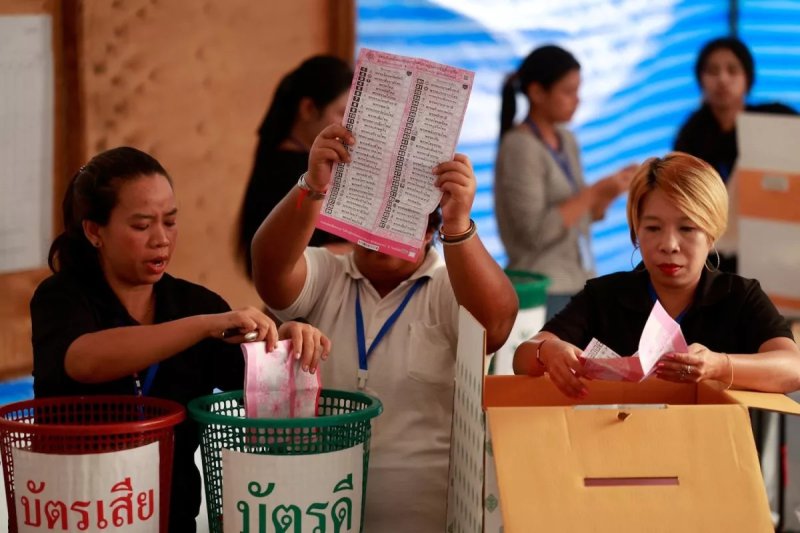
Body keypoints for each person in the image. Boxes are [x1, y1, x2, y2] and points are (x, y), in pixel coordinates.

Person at [31, 147, 331, 531]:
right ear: (94, 231)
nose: (161, 240)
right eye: (141, 226)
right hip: (77, 515)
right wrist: (201, 326)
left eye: (170, 222)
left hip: (173, 517)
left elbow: (257, 377)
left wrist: (287, 339)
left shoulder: (194, 303)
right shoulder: (62, 296)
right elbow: (83, 360)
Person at [251, 124, 518, 532]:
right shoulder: (328, 272)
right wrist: (313, 185)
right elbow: (269, 270)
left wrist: (459, 222)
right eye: (369, 213)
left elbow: (496, 324)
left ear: (431, 232)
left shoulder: (449, 287)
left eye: (400, 218)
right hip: (320, 514)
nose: (379, 231)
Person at [513, 152, 800, 398]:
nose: (669, 245)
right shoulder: (606, 296)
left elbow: (792, 367)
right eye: (652, 228)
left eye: (687, 229)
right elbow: (522, 356)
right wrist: (548, 352)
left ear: (712, 234)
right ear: (636, 231)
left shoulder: (738, 296)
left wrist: (719, 366)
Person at [495, 44, 638, 319]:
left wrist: (610, 190)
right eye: (568, 91)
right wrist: (593, 192)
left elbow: (584, 216)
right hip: (543, 286)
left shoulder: (566, 139)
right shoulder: (520, 146)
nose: (577, 100)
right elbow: (533, 233)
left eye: (578, 90)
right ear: (537, 93)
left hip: (578, 280)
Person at [674, 36, 798, 272]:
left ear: (748, 78)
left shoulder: (777, 119)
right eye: (713, 71)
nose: (722, 79)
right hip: (714, 255)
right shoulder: (691, 134)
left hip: (776, 247)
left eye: (732, 70)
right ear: (700, 79)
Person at [238, 55, 353, 276]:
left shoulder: (282, 159)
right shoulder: (291, 170)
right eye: (341, 113)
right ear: (309, 108)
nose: (348, 127)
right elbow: (302, 255)